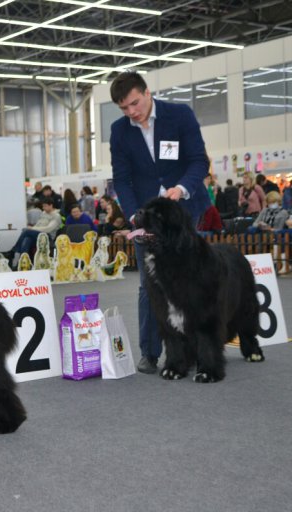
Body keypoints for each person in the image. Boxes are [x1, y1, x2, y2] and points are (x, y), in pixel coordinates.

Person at [108, 71, 210, 374]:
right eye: (124, 108)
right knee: (149, 285)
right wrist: (133, 216)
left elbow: (198, 161)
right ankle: (150, 353)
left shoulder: (180, 115)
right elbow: (122, 180)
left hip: (186, 212)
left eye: (135, 104)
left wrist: (182, 187)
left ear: (148, 93)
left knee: (195, 281)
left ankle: (197, 349)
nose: (131, 112)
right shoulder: (119, 131)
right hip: (147, 220)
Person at [1, 198, 61, 266]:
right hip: (38, 235)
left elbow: (48, 229)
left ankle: (13, 251)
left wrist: (32, 228)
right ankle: (23, 263)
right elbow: (38, 225)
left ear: (51, 205)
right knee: (27, 239)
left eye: (45, 206)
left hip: (47, 237)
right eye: (43, 206)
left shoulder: (56, 216)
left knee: (26, 231)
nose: (43, 208)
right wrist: (32, 228)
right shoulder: (43, 213)